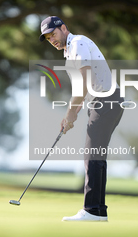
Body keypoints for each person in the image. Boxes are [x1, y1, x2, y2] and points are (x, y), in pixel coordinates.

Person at [39, 16, 124, 221]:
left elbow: (83, 84)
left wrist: (70, 113)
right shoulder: (70, 53)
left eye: (54, 33)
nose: (52, 39)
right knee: (96, 155)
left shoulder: (77, 43)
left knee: (92, 155)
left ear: (64, 28)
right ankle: (98, 211)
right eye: (48, 38)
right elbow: (83, 90)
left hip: (105, 101)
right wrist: (71, 116)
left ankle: (92, 210)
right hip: (104, 102)